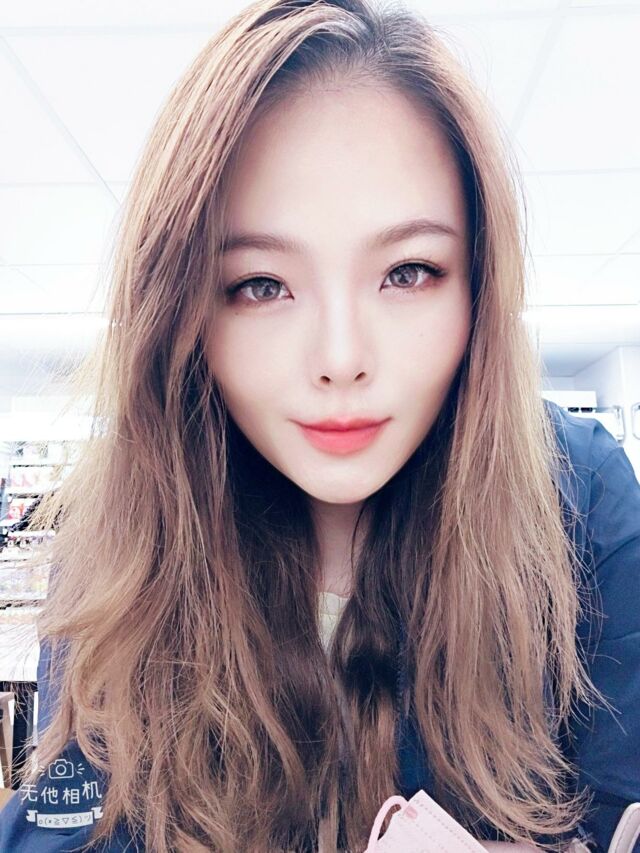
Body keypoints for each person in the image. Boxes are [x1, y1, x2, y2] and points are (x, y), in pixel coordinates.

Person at [0, 0, 638, 851]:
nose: (341, 358)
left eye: (408, 272)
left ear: (478, 285)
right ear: (183, 310)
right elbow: (69, 818)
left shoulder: (580, 497)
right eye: (262, 284)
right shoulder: (118, 540)